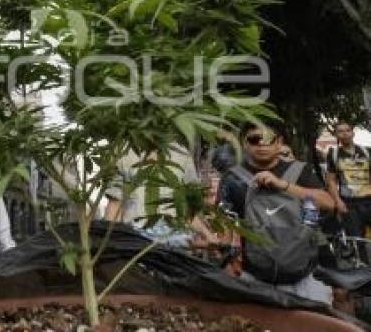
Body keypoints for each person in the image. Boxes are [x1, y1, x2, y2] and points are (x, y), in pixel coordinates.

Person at [218, 123, 334, 304]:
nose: (262, 145)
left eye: (268, 139)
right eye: (255, 139)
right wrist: (227, 259)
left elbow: (328, 203)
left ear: (279, 142)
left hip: (302, 277)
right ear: (245, 143)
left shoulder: (300, 170)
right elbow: (223, 220)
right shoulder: (233, 177)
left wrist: (284, 186)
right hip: (251, 276)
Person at [105, 143, 220, 248]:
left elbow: (188, 211)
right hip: (135, 242)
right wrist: (108, 243)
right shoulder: (123, 153)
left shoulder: (181, 155)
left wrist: (208, 236)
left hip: (174, 245)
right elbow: (115, 204)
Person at [326, 122, 371, 238]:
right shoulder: (333, 154)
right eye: (340, 131)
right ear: (336, 135)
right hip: (349, 204)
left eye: (347, 130)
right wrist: (338, 201)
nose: (345, 134)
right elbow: (331, 180)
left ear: (353, 133)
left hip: (369, 199)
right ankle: (362, 256)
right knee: (357, 239)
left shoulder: (367, 151)